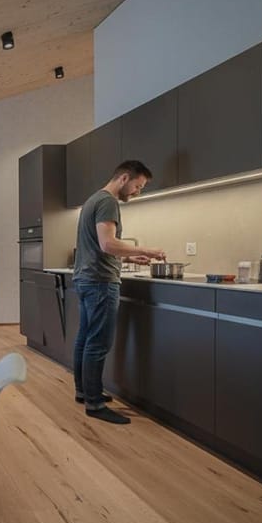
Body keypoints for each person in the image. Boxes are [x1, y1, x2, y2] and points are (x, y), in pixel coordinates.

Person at [73, 160, 165, 425]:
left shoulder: (93, 200)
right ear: (124, 178)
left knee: (85, 338)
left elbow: (98, 246)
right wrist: (146, 250)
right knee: (98, 343)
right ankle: (94, 403)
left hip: (86, 279)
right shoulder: (108, 202)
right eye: (138, 186)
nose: (138, 192)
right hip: (100, 283)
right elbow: (107, 243)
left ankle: (84, 392)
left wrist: (130, 258)